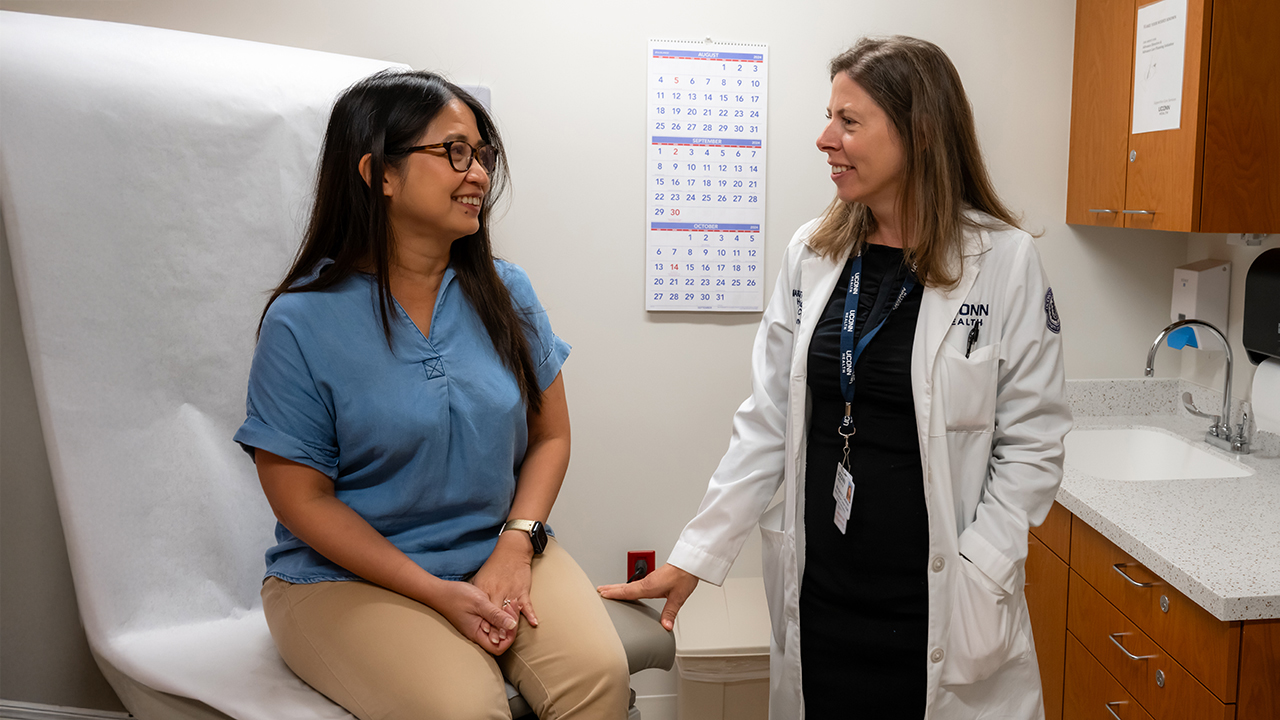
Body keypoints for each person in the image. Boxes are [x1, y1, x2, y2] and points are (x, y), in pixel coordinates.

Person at [600, 36, 1071, 719]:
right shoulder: (813, 254)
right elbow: (766, 421)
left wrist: (982, 566)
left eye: (849, 121)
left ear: (920, 131)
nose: (826, 138)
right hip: (821, 598)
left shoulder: (1003, 262)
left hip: (940, 604)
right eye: (830, 118)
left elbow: (1034, 442)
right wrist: (695, 557)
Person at [234, 69, 629, 720]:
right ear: (378, 172)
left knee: (601, 678)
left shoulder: (506, 292)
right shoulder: (301, 323)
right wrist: (435, 592)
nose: (477, 174)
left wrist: (514, 543)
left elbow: (551, 436)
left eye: (483, 155)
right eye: (454, 152)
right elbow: (300, 499)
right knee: (462, 711)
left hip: (499, 547)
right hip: (345, 578)